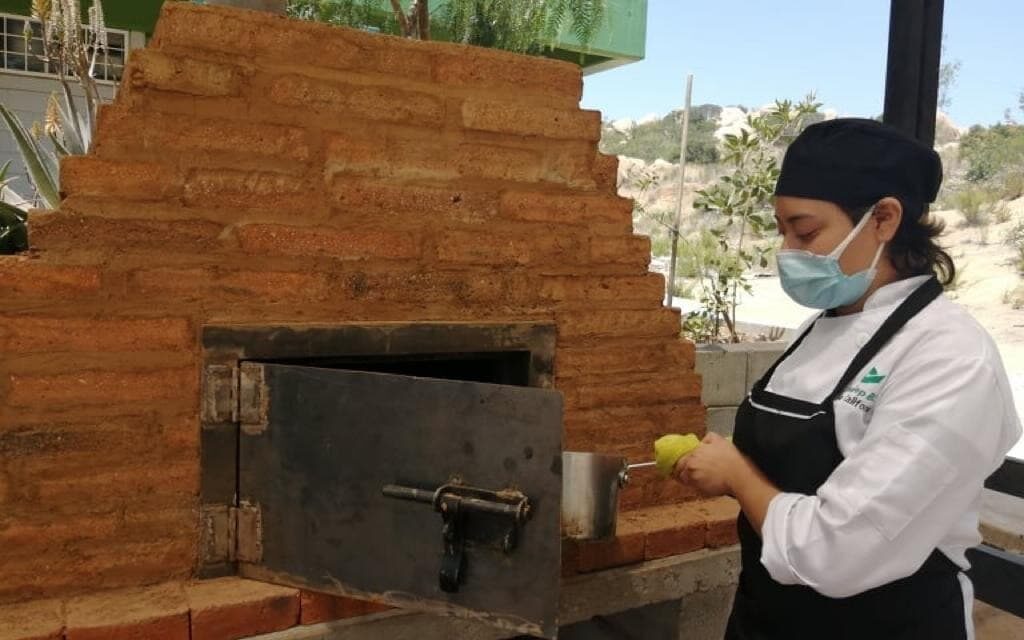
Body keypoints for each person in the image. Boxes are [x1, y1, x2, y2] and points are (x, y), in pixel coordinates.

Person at [672, 118, 1022, 640]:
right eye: (782, 230)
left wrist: (739, 478)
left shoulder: (949, 357)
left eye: (806, 231)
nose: (787, 251)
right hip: (766, 619)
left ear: (883, 219)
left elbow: (841, 550)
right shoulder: (819, 327)